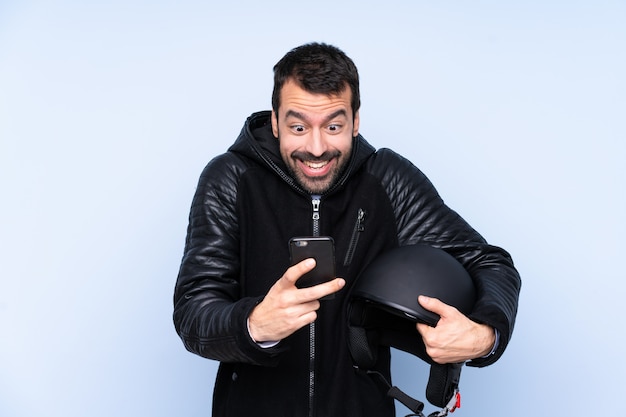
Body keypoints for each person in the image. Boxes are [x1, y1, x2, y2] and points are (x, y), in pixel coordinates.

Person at [173, 42, 521, 417]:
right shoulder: (230, 179)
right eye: (298, 126)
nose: (317, 148)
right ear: (275, 122)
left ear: (355, 122)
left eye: (334, 126)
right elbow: (194, 313)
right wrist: (253, 324)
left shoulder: (387, 179)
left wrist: (485, 337)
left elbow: (489, 263)